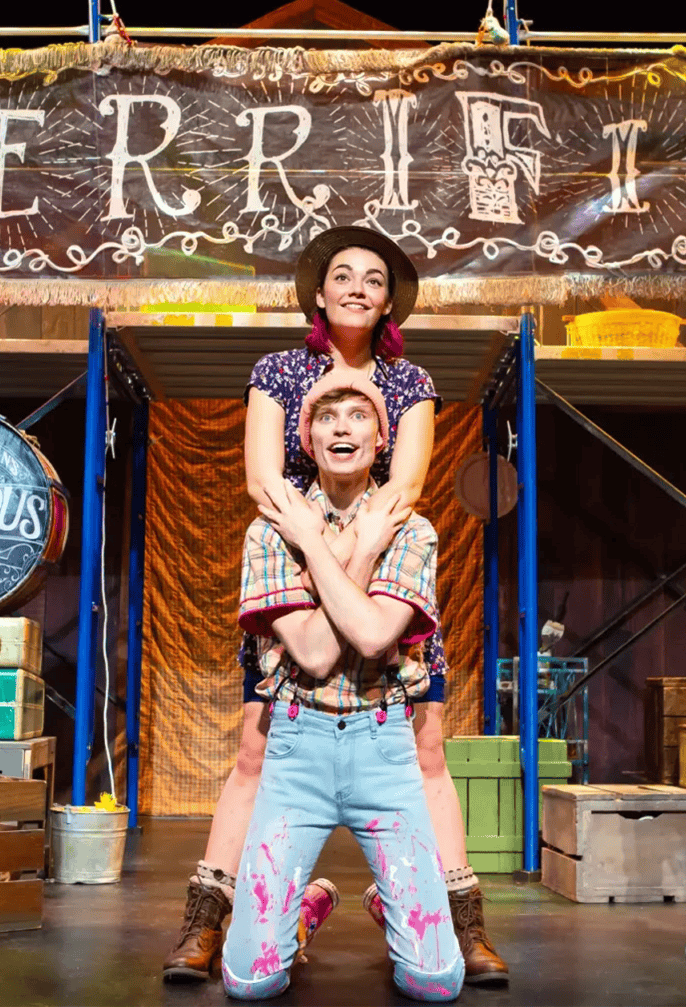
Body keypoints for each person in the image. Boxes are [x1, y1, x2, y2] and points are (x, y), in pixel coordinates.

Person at [162, 226, 507, 985]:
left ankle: (453, 921)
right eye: (341, 274)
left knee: (425, 754)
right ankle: (210, 920)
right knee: (255, 751)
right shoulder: (279, 370)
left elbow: (403, 495)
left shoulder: (409, 382)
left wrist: (350, 557)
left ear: (388, 301)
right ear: (319, 293)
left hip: (380, 569)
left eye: (373, 278)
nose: (356, 285)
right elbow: (264, 486)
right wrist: (324, 551)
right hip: (292, 563)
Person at [222, 369, 464, 1002]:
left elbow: (374, 639)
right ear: (306, 437)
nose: (342, 428)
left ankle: (391, 904)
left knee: (437, 983)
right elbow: (311, 651)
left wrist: (326, 553)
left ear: (380, 438)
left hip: (383, 749)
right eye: (327, 418)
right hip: (296, 750)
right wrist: (345, 547)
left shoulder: (413, 530)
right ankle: (306, 905)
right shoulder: (272, 530)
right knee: (250, 982)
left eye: (358, 416)